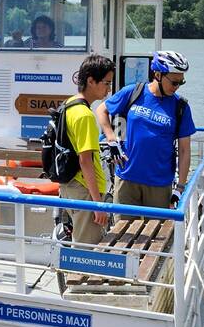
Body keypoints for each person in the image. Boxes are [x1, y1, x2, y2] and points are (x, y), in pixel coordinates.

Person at [96, 50, 196, 209]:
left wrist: (180, 187)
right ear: (157, 74)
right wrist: (110, 137)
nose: (177, 87)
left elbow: (185, 151)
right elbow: (102, 110)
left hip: (159, 185)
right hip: (126, 179)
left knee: (157, 232)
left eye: (181, 83)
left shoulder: (181, 107)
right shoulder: (133, 92)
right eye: (174, 82)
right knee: (122, 231)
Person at [58, 54, 116, 245]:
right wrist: (97, 203)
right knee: (87, 248)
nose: (109, 89)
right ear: (91, 81)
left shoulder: (69, 104)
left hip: (69, 185)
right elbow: (85, 161)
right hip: (84, 190)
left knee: (80, 241)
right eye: (106, 83)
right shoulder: (85, 116)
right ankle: (78, 276)